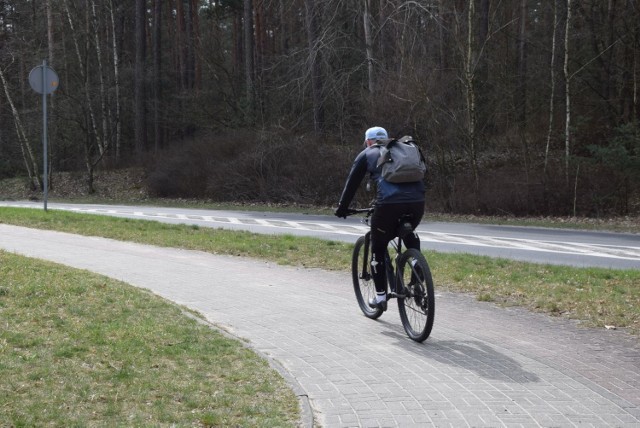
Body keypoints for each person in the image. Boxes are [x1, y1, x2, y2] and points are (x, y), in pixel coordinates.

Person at [335, 126, 425, 311]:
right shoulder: (405, 150)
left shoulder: (367, 153)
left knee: (378, 245)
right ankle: (417, 265)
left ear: (367, 141)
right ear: (386, 137)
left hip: (388, 206)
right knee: (408, 232)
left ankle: (380, 296)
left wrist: (342, 208)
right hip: (417, 203)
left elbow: (351, 183)